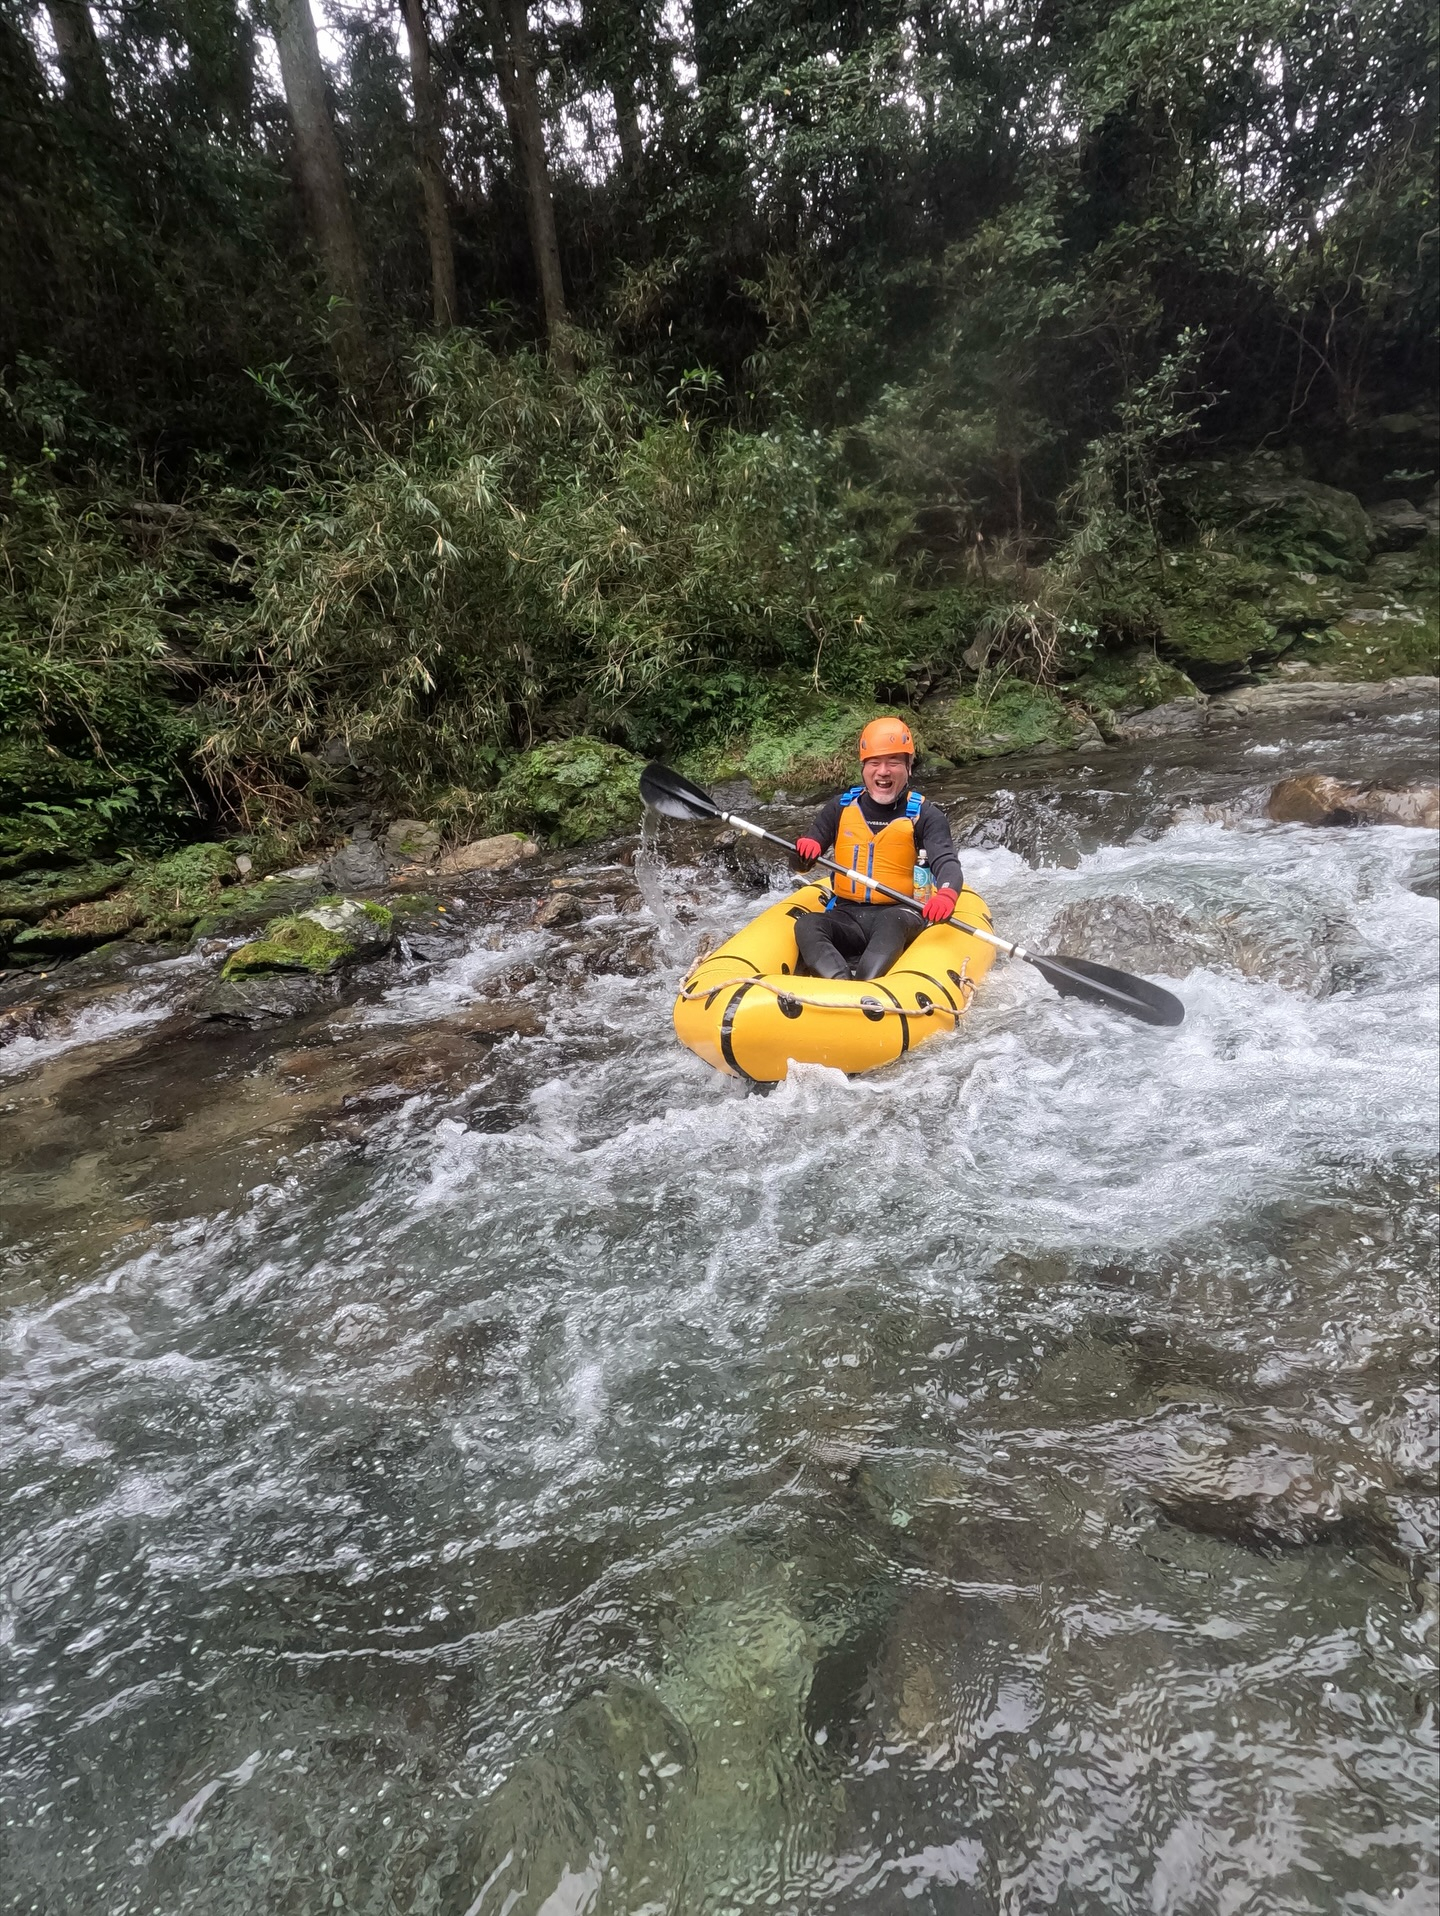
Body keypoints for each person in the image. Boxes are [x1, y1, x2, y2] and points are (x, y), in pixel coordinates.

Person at [792, 717, 964, 981]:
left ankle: (867, 987)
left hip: (901, 913)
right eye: (874, 762)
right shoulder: (839, 808)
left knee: (890, 922)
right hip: (846, 914)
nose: (883, 771)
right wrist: (803, 852)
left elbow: (946, 862)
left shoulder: (925, 815)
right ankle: (839, 984)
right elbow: (800, 865)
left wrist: (947, 895)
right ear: (864, 768)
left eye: (893, 762)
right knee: (807, 924)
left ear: (908, 767)